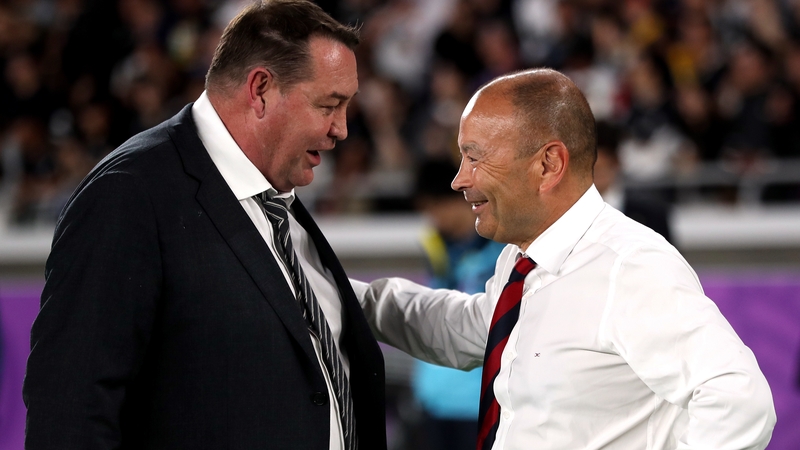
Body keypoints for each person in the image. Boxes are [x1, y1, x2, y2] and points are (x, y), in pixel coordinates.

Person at [23, 2, 386, 449]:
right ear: (260, 90)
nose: (342, 130)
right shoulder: (129, 196)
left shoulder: (275, 199)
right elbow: (70, 409)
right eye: (329, 105)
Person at [352, 68, 776, 449]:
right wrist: (339, 294)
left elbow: (741, 402)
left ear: (548, 163)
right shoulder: (521, 262)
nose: (460, 178)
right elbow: (468, 328)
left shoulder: (629, 265)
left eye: (475, 156)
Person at [410, 158, 505, 450]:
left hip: (482, 403)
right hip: (435, 400)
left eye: (435, 209)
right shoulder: (434, 246)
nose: (433, 220)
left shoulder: (504, 249)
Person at [593, 119, 674, 244]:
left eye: (600, 168)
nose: (596, 175)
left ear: (616, 163)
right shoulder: (569, 217)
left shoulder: (651, 213)